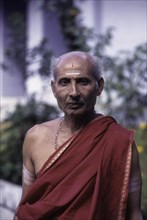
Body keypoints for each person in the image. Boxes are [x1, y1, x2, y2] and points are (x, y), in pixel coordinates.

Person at [14, 51, 142, 220]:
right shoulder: (35, 138)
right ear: (53, 88)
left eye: (83, 82)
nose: (74, 92)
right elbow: (26, 208)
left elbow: (133, 213)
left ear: (100, 86)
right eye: (64, 82)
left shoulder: (119, 142)